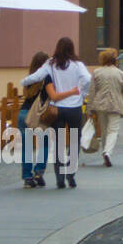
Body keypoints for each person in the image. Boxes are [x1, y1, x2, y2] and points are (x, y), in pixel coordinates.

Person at [20, 37, 92, 189]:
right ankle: (71, 174)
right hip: (74, 108)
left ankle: (59, 178)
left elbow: (37, 77)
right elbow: (87, 79)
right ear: (72, 48)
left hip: (56, 108)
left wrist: (24, 82)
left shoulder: (50, 64)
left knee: (59, 142)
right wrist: (81, 93)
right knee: (74, 141)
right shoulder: (78, 64)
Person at [81, 49, 123, 168]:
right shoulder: (120, 73)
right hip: (116, 105)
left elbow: (92, 91)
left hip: (100, 105)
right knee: (113, 130)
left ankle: (104, 153)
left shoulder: (96, 72)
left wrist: (89, 109)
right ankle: (108, 152)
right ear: (115, 60)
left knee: (104, 131)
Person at [17, 51, 51, 188]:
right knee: (44, 143)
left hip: (24, 113)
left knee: (27, 146)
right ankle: (39, 171)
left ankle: (27, 177)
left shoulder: (29, 79)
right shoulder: (47, 78)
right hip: (38, 114)